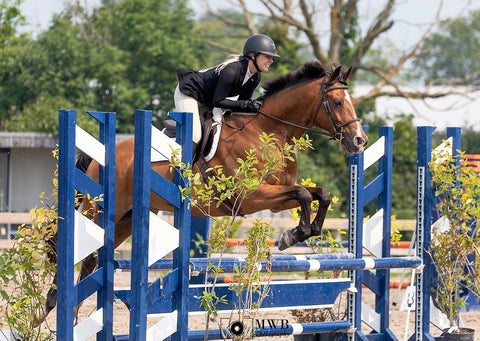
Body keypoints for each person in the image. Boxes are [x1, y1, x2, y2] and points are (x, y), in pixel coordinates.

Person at [174, 34, 280, 145]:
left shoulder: (255, 77)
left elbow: (241, 105)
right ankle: (180, 162)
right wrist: (247, 104)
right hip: (189, 93)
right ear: (253, 55)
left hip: (208, 100)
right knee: (195, 136)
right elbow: (219, 101)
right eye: (268, 56)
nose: (271, 60)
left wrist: (257, 106)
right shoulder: (232, 71)